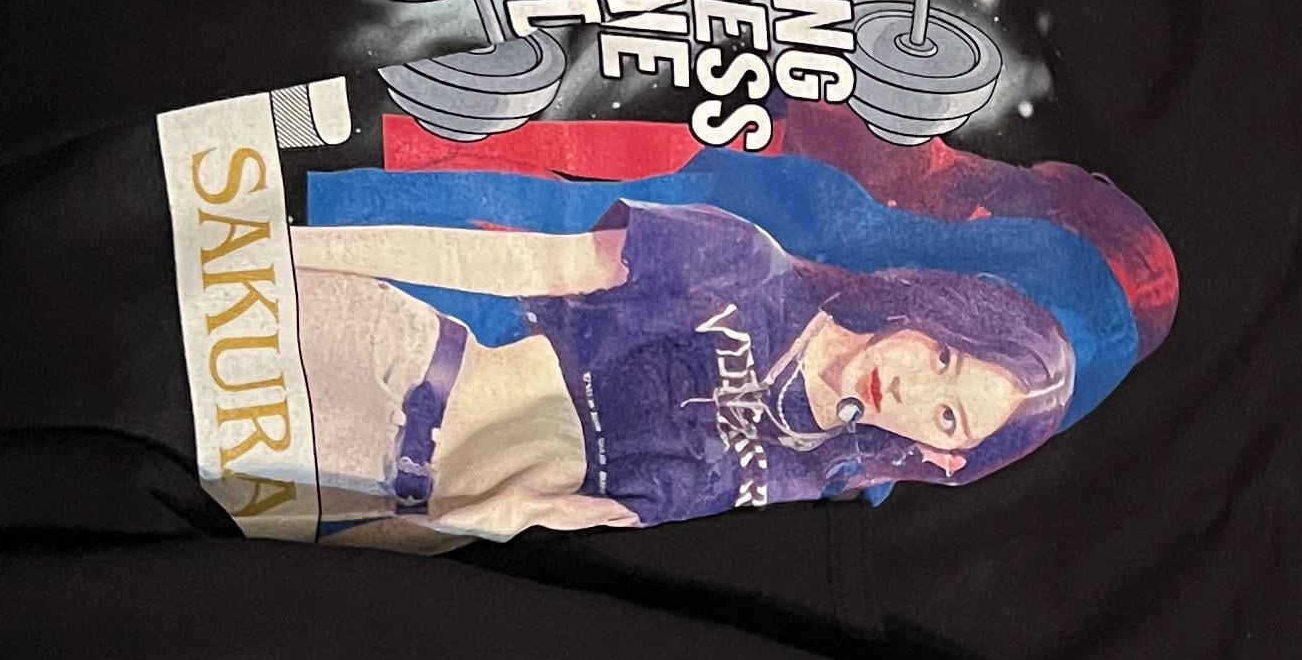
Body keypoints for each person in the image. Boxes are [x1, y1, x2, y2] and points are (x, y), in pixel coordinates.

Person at [287, 194, 1076, 543]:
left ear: (943, 453)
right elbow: (505, 262)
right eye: (942, 355)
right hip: (389, 360)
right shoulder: (744, 263)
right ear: (926, 312)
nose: (911, 386)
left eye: (947, 413)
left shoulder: (791, 491)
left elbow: (517, 523)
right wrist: (283, 250)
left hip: (373, 497)